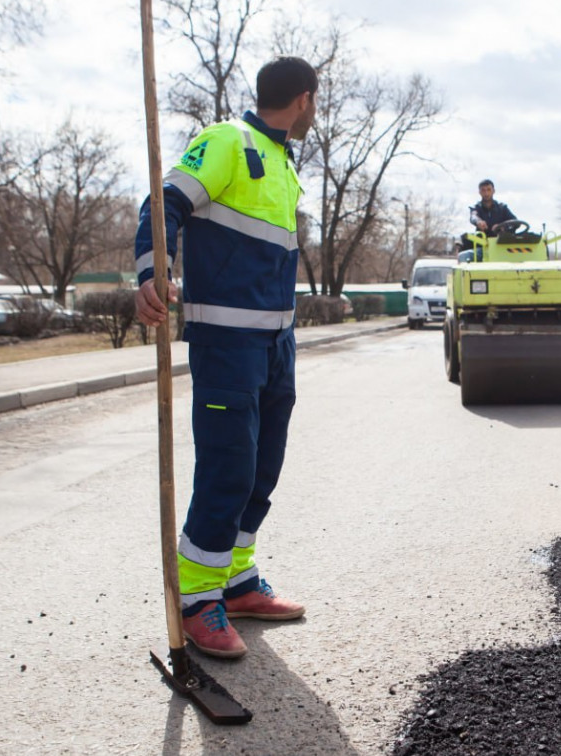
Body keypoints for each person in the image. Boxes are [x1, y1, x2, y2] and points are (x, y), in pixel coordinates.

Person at [134, 56, 317, 659]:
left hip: (276, 345)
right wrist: (152, 274)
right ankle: (196, 600)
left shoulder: (284, 163)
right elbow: (164, 204)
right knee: (228, 470)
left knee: (263, 471)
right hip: (226, 345)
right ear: (305, 100)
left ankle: (237, 583)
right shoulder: (226, 142)